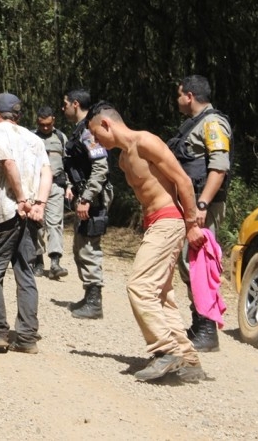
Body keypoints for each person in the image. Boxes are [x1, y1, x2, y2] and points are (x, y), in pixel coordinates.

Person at [86, 101, 207, 383]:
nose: (95, 140)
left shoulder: (146, 142)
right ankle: (188, 359)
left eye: (96, 133)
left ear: (107, 124)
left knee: (139, 286)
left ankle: (165, 350)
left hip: (170, 221)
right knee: (161, 295)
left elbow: (184, 182)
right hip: (154, 225)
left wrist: (191, 226)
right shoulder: (123, 158)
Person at [0, 92, 52, 354]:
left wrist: (21, 199)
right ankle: (27, 337)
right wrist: (38, 203)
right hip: (30, 215)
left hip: (9, 211)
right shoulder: (35, 138)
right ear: (18, 114)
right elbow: (46, 172)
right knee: (24, 270)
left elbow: (8, 163)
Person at [167, 75, 231, 352]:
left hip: (202, 206)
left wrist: (202, 204)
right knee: (187, 261)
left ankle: (206, 329)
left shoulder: (213, 123)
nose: (177, 99)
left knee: (199, 263)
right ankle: (199, 323)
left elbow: (219, 168)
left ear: (189, 96)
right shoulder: (193, 124)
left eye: (179, 95)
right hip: (190, 204)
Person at [62, 89, 113, 319]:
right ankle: (89, 296)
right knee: (80, 246)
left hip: (93, 199)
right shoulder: (79, 131)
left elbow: (101, 168)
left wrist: (86, 198)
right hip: (84, 194)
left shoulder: (89, 132)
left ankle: (95, 303)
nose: (63, 108)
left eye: (65, 104)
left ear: (75, 104)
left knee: (89, 247)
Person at [30, 106, 69, 280]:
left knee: (55, 223)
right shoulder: (30, 137)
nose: (45, 128)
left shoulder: (61, 137)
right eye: (42, 124)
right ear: (37, 121)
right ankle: (38, 260)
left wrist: (69, 186)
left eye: (48, 124)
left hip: (56, 187)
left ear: (54, 120)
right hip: (35, 187)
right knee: (37, 225)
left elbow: (68, 163)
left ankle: (55, 262)